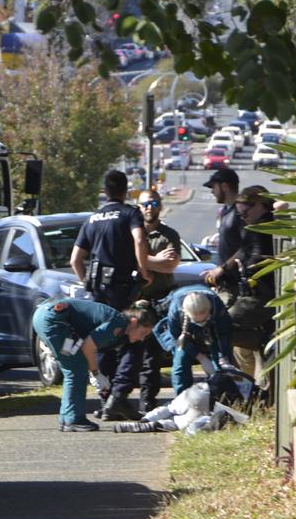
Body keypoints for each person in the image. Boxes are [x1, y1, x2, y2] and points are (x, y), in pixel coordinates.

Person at [70, 170, 153, 420]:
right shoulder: (130, 213)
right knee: (134, 339)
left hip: (97, 290)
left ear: (105, 192)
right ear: (125, 191)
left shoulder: (92, 219)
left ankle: (106, 400)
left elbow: (76, 259)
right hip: (121, 287)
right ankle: (119, 398)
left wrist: (87, 281)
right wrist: (144, 271)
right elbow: (139, 240)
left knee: (103, 343)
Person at [31, 298, 159, 432]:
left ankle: (67, 418)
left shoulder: (119, 325)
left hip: (48, 316)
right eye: (143, 333)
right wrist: (96, 374)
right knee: (76, 369)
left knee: (74, 368)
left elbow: (86, 344)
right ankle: (73, 420)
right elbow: (88, 347)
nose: (142, 338)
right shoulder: (118, 323)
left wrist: (95, 373)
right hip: (54, 320)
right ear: (134, 322)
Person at [120, 188, 182, 412]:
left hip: (162, 299)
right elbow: (127, 262)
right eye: (146, 204)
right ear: (138, 206)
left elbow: (171, 264)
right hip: (136, 302)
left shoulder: (169, 235)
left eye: (154, 204)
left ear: (160, 206)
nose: (150, 208)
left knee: (154, 355)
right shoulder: (131, 233)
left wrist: (142, 261)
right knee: (131, 352)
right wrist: (155, 259)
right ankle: (120, 398)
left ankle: (148, 401)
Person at [221, 185, 277, 389]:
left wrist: (246, 268)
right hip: (252, 293)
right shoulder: (254, 227)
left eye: (246, 212)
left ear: (261, 204)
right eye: (240, 214)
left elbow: (258, 259)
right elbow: (245, 253)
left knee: (219, 325)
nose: (243, 217)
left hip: (260, 296)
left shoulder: (264, 228)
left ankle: (262, 340)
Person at [154, 287, 235, 396]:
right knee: (180, 364)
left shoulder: (217, 305)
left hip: (212, 329)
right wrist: (201, 357)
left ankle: (222, 397)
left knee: (221, 368)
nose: (201, 321)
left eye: (203, 317)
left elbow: (223, 334)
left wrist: (223, 358)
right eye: (197, 319)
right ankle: (183, 399)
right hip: (183, 334)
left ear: (209, 309)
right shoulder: (175, 311)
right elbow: (177, 338)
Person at [201, 167, 243, 292]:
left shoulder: (241, 212)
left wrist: (222, 268)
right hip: (225, 283)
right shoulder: (225, 211)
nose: (212, 192)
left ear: (224, 186)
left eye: (214, 187)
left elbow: (246, 247)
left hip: (237, 283)